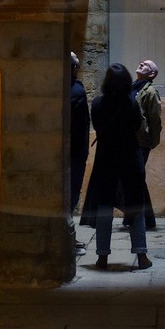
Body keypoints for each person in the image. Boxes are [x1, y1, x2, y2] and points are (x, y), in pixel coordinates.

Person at [83, 64, 151, 270]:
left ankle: (102, 256)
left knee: (104, 208)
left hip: (106, 159)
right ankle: (141, 256)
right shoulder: (131, 104)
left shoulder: (97, 104)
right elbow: (138, 126)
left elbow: (96, 124)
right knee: (135, 206)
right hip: (130, 158)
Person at [130, 59, 162, 232]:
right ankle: (143, 218)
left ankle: (143, 218)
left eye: (146, 65)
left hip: (141, 141)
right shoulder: (134, 87)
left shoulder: (150, 92)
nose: (141, 63)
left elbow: (155, 119)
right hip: (131, 140)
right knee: (136, 179)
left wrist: (151, 141)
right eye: (141, 62)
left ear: (152, 74)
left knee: (136, 178)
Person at [67, 53, 90, 218]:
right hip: (75, 150)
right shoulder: (76, 91)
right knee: (72, 191)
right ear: (74, 68)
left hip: (71, 149)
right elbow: (79, 124)